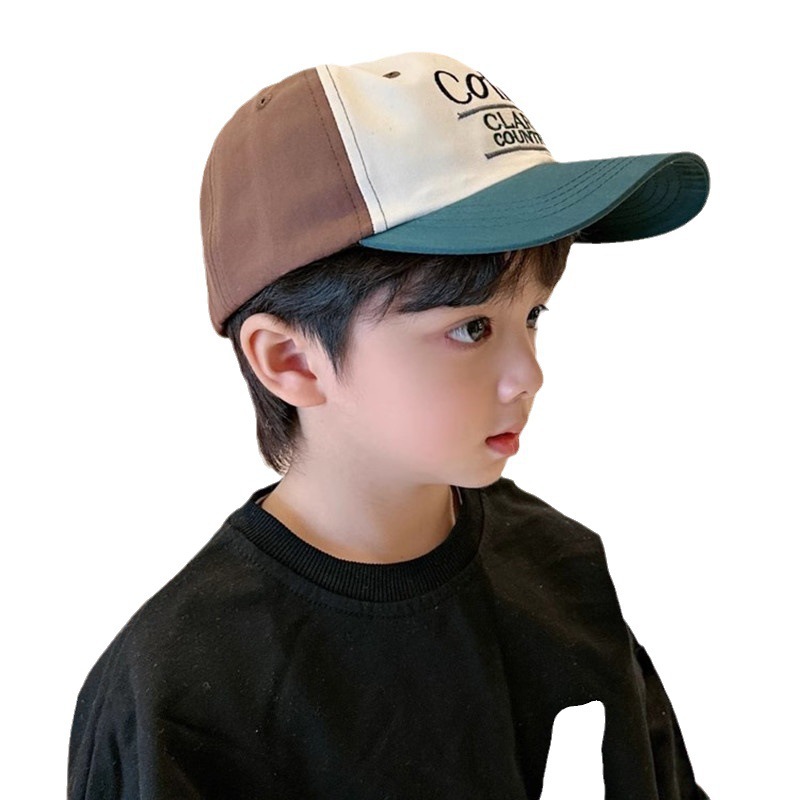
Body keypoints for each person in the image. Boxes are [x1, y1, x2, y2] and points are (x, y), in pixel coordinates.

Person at [67, 52, 711, 799]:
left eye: (532, 314)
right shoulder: (181, 693)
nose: (528, 374)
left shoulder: (561, 570)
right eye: (471, 328)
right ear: (291, 360)